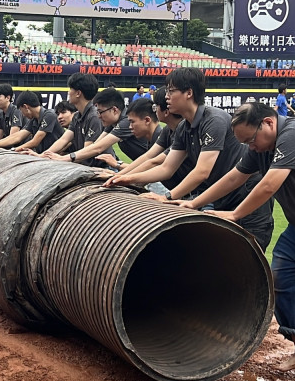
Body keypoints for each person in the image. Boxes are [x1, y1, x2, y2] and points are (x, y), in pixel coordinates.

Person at [177, 102, 295, 381]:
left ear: (268, 123)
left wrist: (235, 214)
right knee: (279, 282)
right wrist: (194, 203)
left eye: (251, 140)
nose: (250, 147)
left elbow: (268, 185)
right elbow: (235, 176)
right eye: (244, 143)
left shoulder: (294, 135)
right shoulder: (260, 146)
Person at [106, 67, 274, 251]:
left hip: (246, 197)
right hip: (221, 198)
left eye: (171, 91)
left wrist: (167, 197)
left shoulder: (213, 120)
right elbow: (166, 168)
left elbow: (202, 171)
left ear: (189, 93)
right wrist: (126, 178)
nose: (166, 97)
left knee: (249, 255)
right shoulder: (183, 128)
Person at [47, 88, 150, 167]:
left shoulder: (126, 121)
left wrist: (65, 158)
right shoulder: (113, 123)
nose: (99, 116)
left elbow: (98, 148)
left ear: (114, 110)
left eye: (100, 112)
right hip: (145, 166)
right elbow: (96, 144)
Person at [42, 73, 105, 167]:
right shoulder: (76, 116)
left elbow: (87, 151)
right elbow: (64, 139)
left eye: (70, 89)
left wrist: (63, 158)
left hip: (101, 167)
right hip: (86, 166)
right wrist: (43, 156)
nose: (68, 92)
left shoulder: (94, 116)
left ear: (78, 93)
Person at [0, 91, 64, 153]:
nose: (23, 115)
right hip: (44, 155)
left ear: (26, 107)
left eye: (21, 111)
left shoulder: (49, 115)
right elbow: (18, 136)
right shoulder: (34, 119)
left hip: (59, 156)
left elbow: (35, 142)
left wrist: (13, 150)